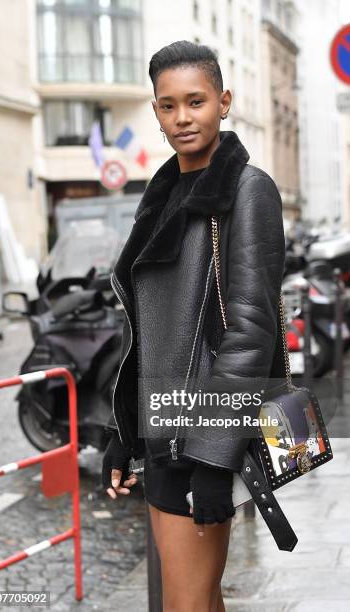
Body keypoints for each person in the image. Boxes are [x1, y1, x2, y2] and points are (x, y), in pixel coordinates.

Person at [101, 40, 286, 612]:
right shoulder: (162, 196)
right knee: (198, 603)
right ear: (155, 111)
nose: (182, 118)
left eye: (196, 101)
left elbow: (250, 331)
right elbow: (151, 332)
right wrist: (124, 431)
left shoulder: (246, 190)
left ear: (223, 102)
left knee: (187, 605)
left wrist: (212, 458)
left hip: (200, 434)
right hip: (164, 432)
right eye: (167, 105)